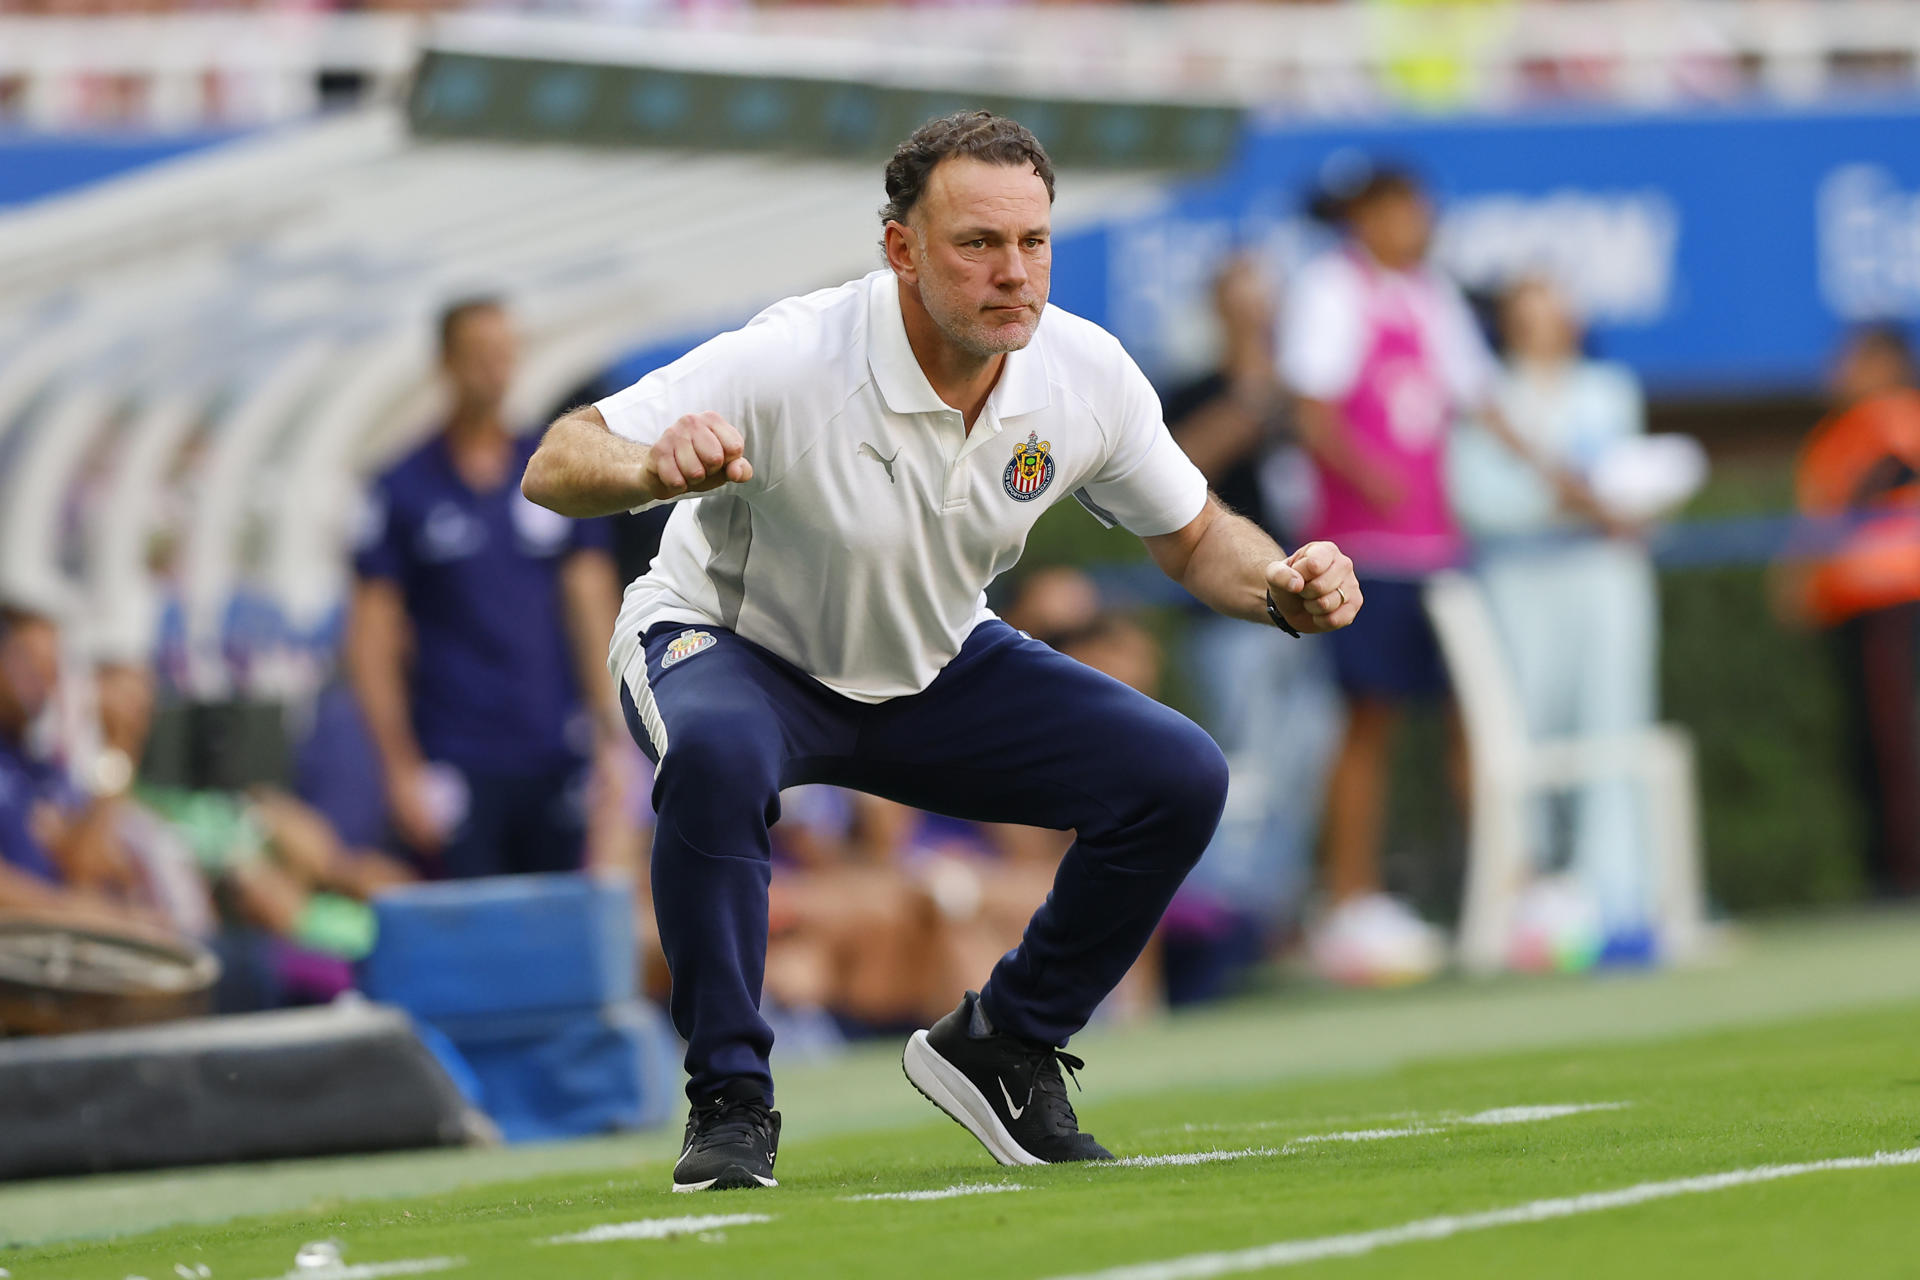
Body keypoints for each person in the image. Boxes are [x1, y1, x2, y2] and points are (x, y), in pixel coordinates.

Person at [522, 110, 1363, 1191]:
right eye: (978, 243)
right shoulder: (793, 355)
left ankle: (1005, 1044)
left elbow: (1197, 535)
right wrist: (649, 467)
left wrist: (1284, 586)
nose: (1014, 272)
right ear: (901, 250)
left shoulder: (1084, 372)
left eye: (1034, 242)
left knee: (1176, 774)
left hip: (928, 663)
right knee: (721, 755)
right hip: (727, 645)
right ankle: (730, 1101)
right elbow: (557, 457)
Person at [1282, 162, 1612, 985]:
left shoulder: (1430, 293)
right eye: (1396, 210)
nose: (1412, 224)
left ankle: (1507, 887)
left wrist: (1573, 488)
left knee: (1476, 717)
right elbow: (1312, 414)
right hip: (1361, 553)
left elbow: (1486, 404)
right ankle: (1349, 900)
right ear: (1364, 217)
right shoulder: (1328, 289)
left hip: (1438, 551)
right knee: (1369, 722)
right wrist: (1371, 478)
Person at [347, 297, 625, 879]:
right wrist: (397, 767)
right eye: (478, 356)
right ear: (446, 363)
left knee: (558, 928)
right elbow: (371, 640)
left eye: (503, 354)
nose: (493, 369)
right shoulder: (403, 487)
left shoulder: (551, 471)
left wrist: (611, 739)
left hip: (554, 750)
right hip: (456, 755)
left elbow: (591, 603)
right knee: (475, 936)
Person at [1448, 276, 1658, 959]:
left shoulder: (1609, 387)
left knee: (1613, 721)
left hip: (1602, 577)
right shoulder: (1486, 393)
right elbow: (1476, 496)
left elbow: (1630, 482)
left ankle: (1619, 893)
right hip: (1518, 580)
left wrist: (1607, 507)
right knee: (1519, 732)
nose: (1543, 320)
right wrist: (1563, 505)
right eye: (1527, 308)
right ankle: (1524, 895)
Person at [1164, 255, 1341, 944]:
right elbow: (1174, 470)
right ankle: (1217, 917)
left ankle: (1271, 913)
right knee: (1240, 763)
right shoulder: (1195, 388)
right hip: (1227, 614)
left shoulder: (1300, 390)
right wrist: (1251, 397)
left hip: (1304, 603)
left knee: (1306, 756)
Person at [1777, 323, 1920, 899]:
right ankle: (1891, 869)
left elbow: (1838, 518)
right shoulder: (1837, 436)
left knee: (1897, 743)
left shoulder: (1894, 422)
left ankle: (1905, 873)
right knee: (1873, 746)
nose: (1837, 373)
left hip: (1895, 604)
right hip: (1858, 613)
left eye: (1851, 361)